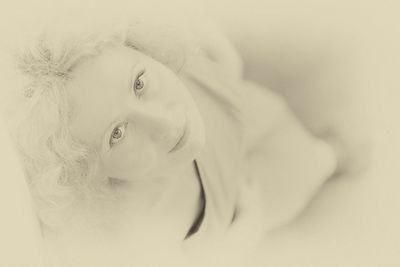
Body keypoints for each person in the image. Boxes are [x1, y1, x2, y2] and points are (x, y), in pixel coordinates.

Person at [0, 14, 337, 266]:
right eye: (116, 135)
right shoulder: (141, 235)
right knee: (306, 168)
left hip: (229, 107)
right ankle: (332, 156)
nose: (167, 123)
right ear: (91, 174)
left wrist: (224, 61)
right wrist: (248, 233)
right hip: (238, 199)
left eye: (139, 84)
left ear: (144, 49)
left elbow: (194, 25)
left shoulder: (166, 49)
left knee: (275, 115)